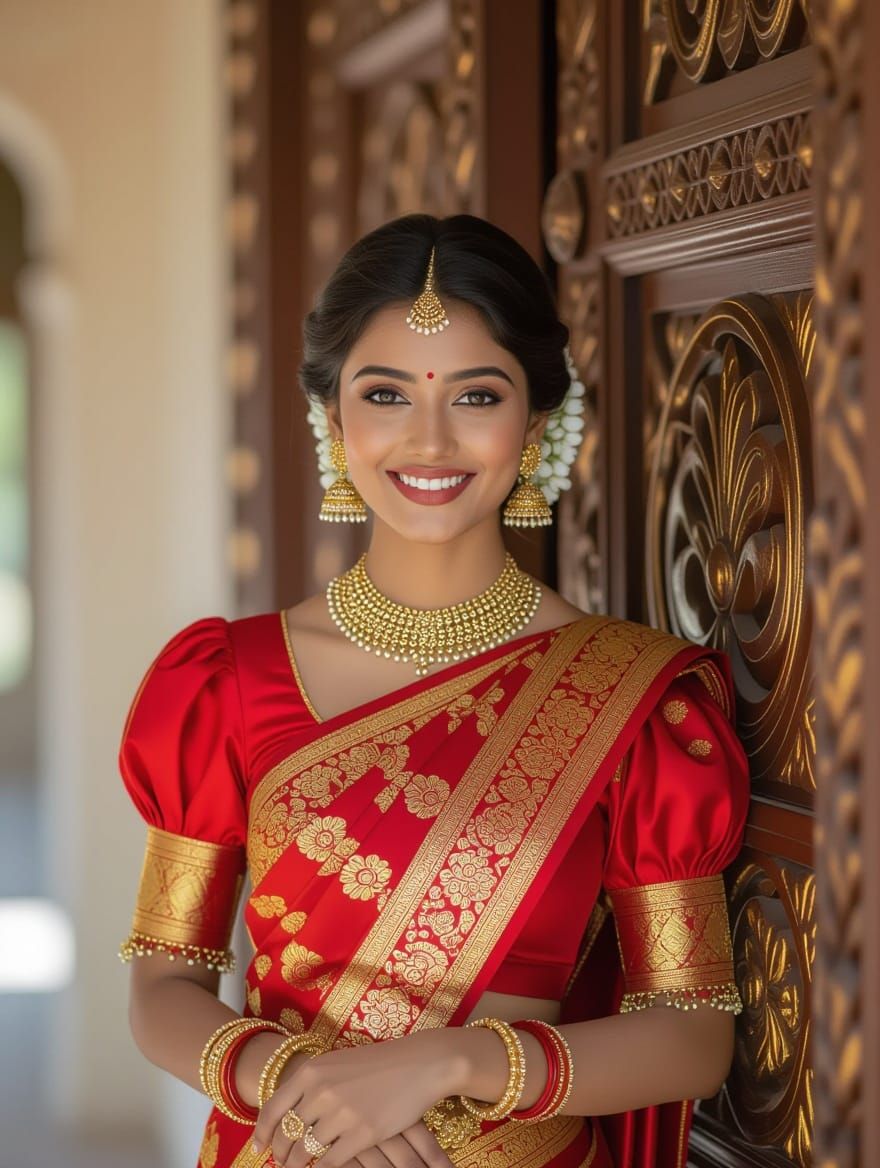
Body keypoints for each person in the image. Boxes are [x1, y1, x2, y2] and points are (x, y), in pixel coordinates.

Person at [117, 213, 750, 1168]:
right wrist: (291, 1083)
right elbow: (164, 983)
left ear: (536, 420)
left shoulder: (635, 702)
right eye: (385, 393)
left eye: (476, 395)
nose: (429, 438)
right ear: (334, 418)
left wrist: (447, 1064)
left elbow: (693, 1033)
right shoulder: (222, 683)